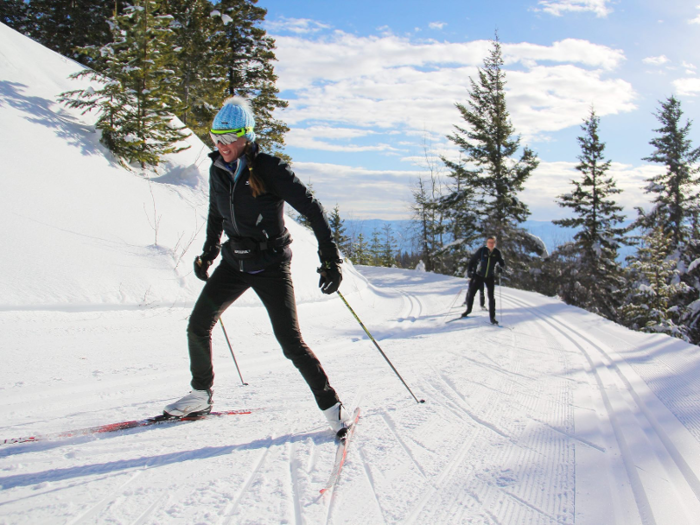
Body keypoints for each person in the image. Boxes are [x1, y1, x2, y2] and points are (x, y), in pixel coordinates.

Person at [164, 97, 350, 437]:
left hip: (270, 264)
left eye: (227, 138)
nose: (220, 146)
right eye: (214, 138)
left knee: (290, 343)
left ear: (245, 136)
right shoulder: (217, 168)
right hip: (235, 261)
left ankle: (333, 408)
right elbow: (216, 212)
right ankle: (200, 395)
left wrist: (329, 259)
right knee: (198, 325)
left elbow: (313, 210)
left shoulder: (270, 168)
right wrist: (209, 251)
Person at [461, 236, 505, 325]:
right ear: (486, 243)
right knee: (471, 293)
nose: (491, 244)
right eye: (489, 242)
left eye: (492, 242)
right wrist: (470, 271)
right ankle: (468, 310)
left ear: (495, 243)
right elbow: (472, 261)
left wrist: (500, 267)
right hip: (479, 275)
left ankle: (492, 318)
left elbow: (501, 262)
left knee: (491, 297)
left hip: (490, 277)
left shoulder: (496, 252)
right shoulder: (482, 251)